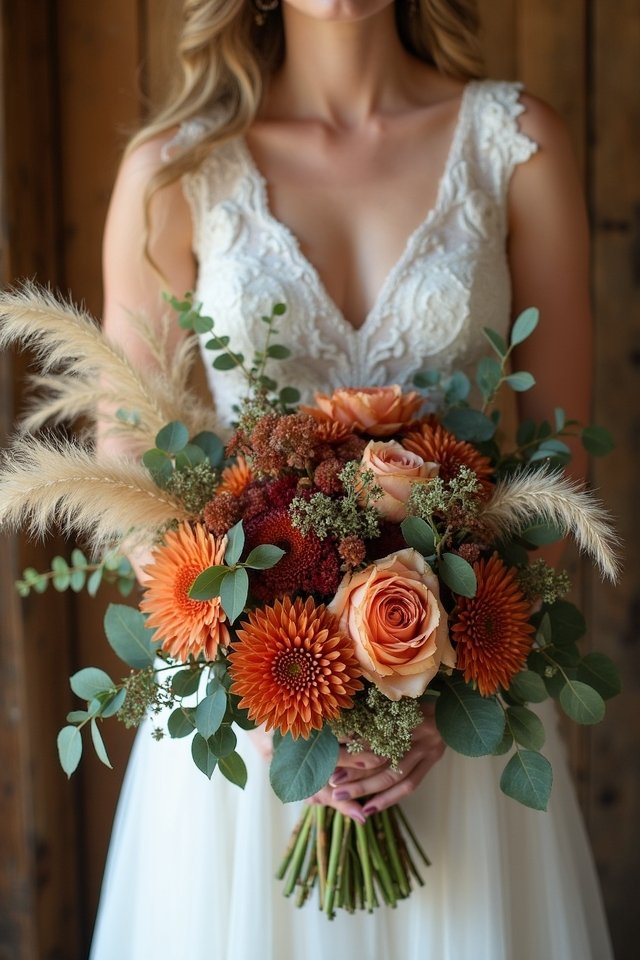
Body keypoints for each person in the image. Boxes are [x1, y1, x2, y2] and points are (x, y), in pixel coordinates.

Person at [90, 1, 613, 957]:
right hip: (246, 730)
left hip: (462, 715)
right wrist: (251, 683)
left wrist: (447, 692)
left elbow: (557, 459)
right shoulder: (175, 169)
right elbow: (132, 465)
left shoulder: (516, 145)